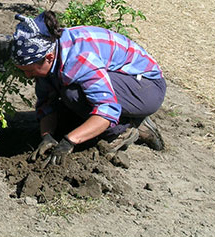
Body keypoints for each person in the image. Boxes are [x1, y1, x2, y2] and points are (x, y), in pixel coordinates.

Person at [11, 11, 166, 166]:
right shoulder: (51, 53)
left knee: (73, 95)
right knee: (66, 111)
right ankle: (124, 118)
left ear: (48, 58)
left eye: (30, 71)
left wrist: (69, 142)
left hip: (147, 87)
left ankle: (127, 128)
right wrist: (47, 136)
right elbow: (46, 104)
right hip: (121, 82)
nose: (27, 76)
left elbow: (107, 108)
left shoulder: (79, 59)